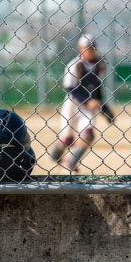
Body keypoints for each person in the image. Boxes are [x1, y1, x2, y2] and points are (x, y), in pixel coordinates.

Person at [49, 33, 113, 172]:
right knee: (67, 139)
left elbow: (97, 87)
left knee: (88, 135)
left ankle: (71, 162)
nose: (90, 50)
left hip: (87, 108)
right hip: (72, 104)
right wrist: (88, 100)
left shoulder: (98, 65)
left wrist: (105, 108)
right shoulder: (74, 65)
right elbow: (70, 89)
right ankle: (56, 156)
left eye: (92, 47)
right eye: (87, 47)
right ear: (80, 49)